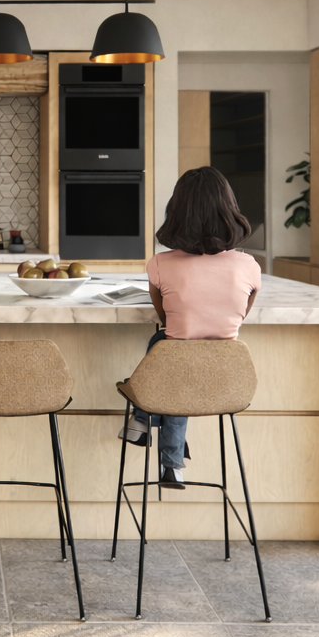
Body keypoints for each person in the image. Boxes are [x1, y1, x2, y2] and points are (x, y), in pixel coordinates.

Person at [120, 166, 262, 489]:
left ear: (177, 213)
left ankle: (143, 419)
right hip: (226, 381)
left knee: (166, 348)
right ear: (230, 211)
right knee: (170, 353)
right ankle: (169, 461)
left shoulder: (159, 265)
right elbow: (240, 315)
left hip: (177, 377)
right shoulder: (249, 267)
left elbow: (167, 318)